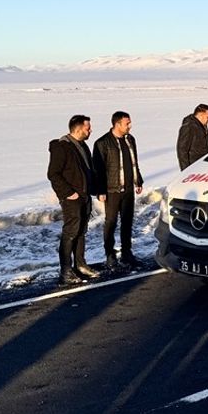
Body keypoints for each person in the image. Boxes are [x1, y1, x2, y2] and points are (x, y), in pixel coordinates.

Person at [47, 115, 97, 285]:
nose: (90, 130)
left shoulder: (82, 146)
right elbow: (53, 174)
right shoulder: (62, 147)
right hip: (71, 198)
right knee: (71, 232)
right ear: (78, 128)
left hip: (84, 195)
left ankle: (80, 265)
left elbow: (88, 171)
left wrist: (95, 190)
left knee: (81, 231)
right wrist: (68, 193)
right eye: (87, 128)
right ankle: (66, 271)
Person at [91, 111, 144, 272]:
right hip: (112, 190)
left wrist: (138, 180)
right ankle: (110, 254)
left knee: (127, 222)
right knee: (111, 222)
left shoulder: (130, 139)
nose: (130, 126)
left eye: (130, 122)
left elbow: (134, 162)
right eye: (127, 123)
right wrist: (100, 190)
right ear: (117, 124)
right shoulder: (103, 143)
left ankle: (127, 253)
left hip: (128, 188)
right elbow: (98, 169)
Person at [177, 104, 208, 170]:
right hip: (193, 166)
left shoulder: (202, 127)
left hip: (202, 165)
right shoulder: (189, 127)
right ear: (201, 115)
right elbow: (182, 150)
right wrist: (186, 170)